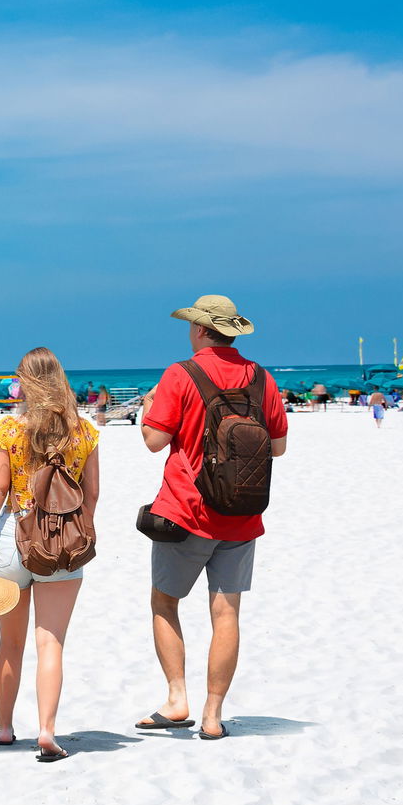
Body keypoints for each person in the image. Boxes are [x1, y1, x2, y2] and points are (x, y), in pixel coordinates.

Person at [137, 295, 290, 742]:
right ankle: (212, 714)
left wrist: (149, 406)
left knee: (164, 603)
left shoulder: (181, 374)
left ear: (201, 330)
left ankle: (176, 697)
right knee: (227, 615)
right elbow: (277, 447)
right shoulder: (262, 378)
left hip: (185, 511)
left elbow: (153, 440)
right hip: (242, 514)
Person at [0, 347, 100, 761]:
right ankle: (48, 730)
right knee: (50, 643)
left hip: (13, 540)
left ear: (27, 383)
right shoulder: (84, 432)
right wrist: (78, 533)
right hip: (64, 544)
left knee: (10, 643)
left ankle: (3, 728)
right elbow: (91, 495)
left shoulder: (10, 430)